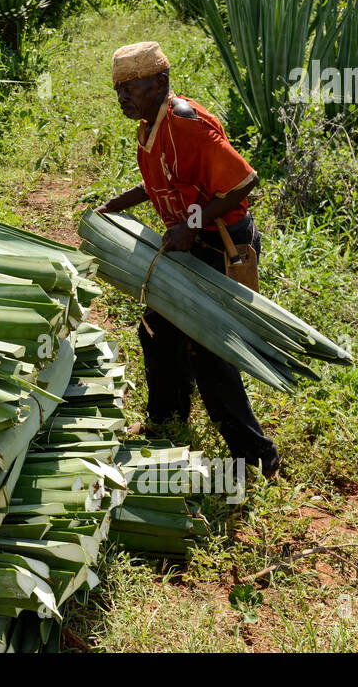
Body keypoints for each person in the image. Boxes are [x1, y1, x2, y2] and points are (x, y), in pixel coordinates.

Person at [95, 41, 280, 478]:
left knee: (210, 351)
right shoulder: (149, 124)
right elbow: (161, 181)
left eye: (131, 88)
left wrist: (191, 225)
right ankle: (167, 417)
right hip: (188, 242)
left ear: (159, 83)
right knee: (158, 331)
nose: (122, 97)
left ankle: (258, 456)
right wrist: (116, 205)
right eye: (118, 89)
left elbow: (242, 182)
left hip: (217, 244)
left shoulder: (185, 123)